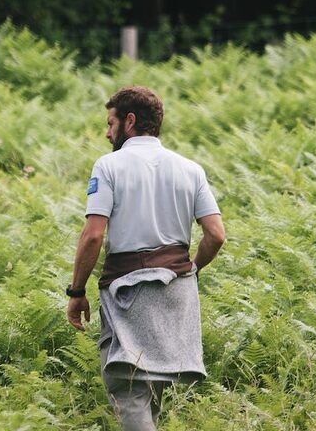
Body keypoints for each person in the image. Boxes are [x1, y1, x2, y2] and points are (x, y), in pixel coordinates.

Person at [66, 86, 226, 430]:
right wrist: (191, 269)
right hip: (177, 292)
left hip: (129, 292)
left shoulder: (108, 166)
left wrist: (76, 291)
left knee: (128, 390)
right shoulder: (190, 169)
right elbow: (216, 235)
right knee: (150, 391)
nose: (107, 133)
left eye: (110, 124)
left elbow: (93, 235)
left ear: (129, 121)